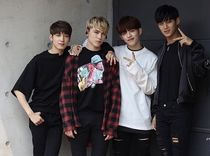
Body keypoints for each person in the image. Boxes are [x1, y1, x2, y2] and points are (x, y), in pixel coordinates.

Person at [152, 4, 210, 156]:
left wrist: (194, 46)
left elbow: (202, 71)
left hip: (180, 109)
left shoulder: (188, 47)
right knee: (164, 152)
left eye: (168, 21)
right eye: (161, 23)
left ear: (177, 21)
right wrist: (155, 113)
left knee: (179, 152)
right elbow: (160, 84)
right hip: (162, 111)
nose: (165, 26)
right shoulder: (161, 51)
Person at [59, 16, 121, 156]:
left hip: (101, 119)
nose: (100, 37)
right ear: (87, 32)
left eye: (103, 34)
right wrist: (68, 123)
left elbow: (115, 94)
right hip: (78, 118)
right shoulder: (74, 56)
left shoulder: (109, 59)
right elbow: (66, 92)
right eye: (96, 32)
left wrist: (111, 126)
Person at [11, 20, 72, 156]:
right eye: (58, 35)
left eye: (66, 36)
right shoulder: (39, 60)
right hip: (40, 115)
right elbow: (19, 90)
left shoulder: (70, 56)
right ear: (51, 37)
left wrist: (109, 51)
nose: (62, 39)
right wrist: (31, 114)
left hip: (57, 117)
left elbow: (94, 47)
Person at [112, 16, 158, 156]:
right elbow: (93, 46)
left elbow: (151, 89)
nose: (129, 35)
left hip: (141, 121)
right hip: (119, 120)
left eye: (132, 30)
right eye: (124, 33)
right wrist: (78, 47)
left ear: (140, 31)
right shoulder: (116, 51)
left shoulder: (151, 58)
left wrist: (135, 68)